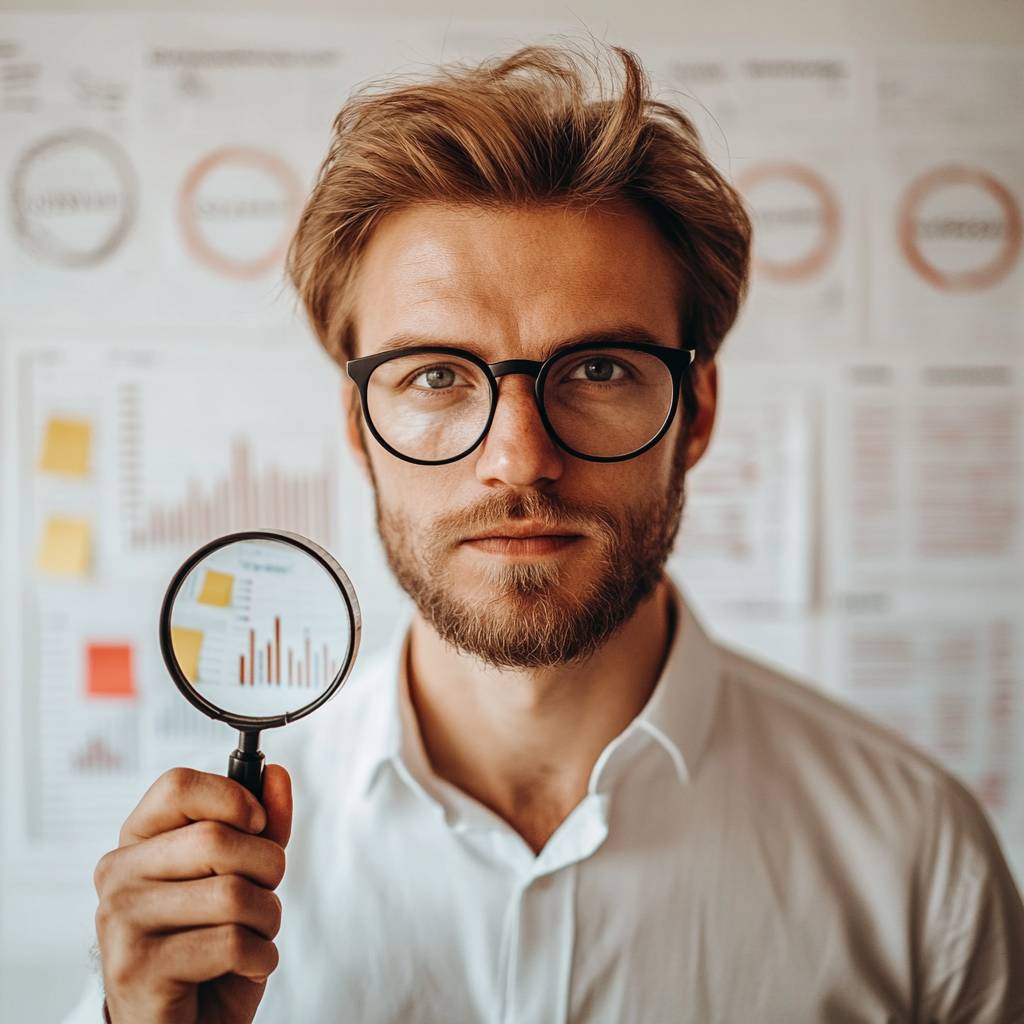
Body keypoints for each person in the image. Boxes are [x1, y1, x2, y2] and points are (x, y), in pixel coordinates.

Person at [65, 43, 1024, 1024]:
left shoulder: (917, 862)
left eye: (600, 368)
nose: (518, 459)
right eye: (435, 374)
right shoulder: (198, 898)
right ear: (359, 427)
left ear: (694, 412)